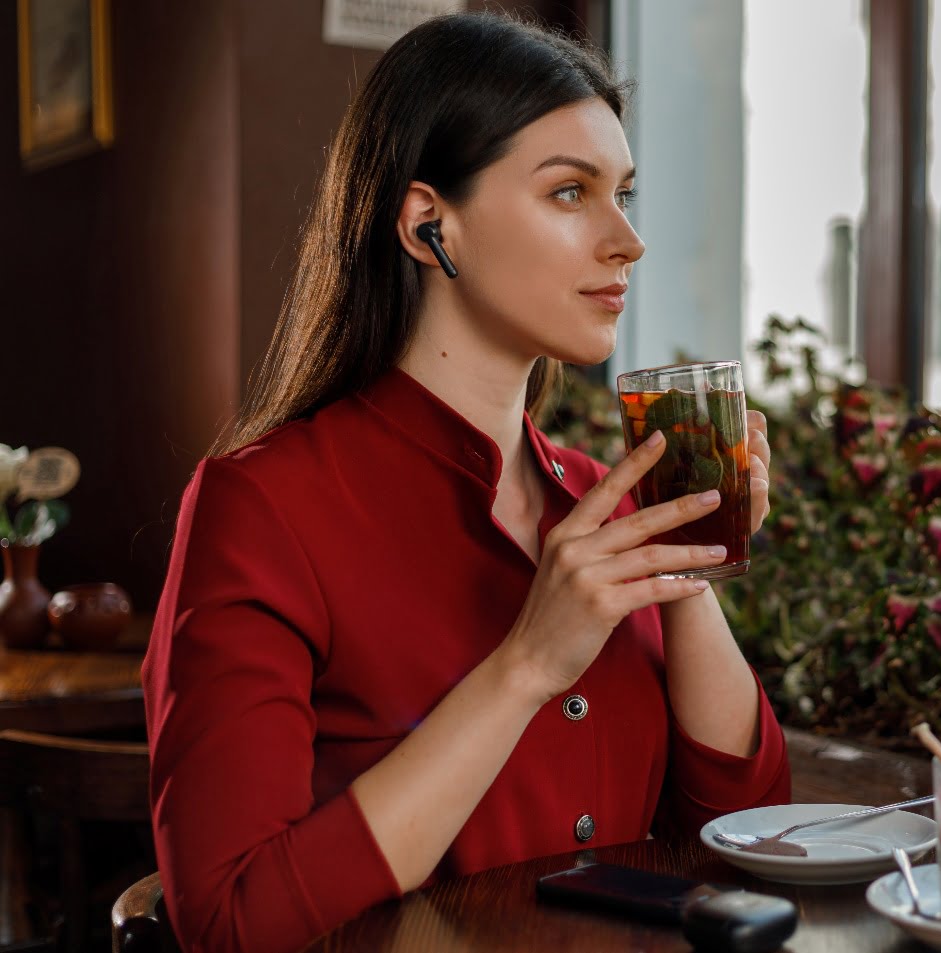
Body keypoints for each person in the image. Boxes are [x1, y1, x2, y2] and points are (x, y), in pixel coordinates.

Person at [141, 12, 790, 953]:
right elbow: (232, 922)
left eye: (625, 194)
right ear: (427, 224)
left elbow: (742, 846)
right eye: (571, 193)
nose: (627, 242)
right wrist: (526, 664)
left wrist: (683, 559)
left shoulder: (599, 500)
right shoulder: (263, 508)